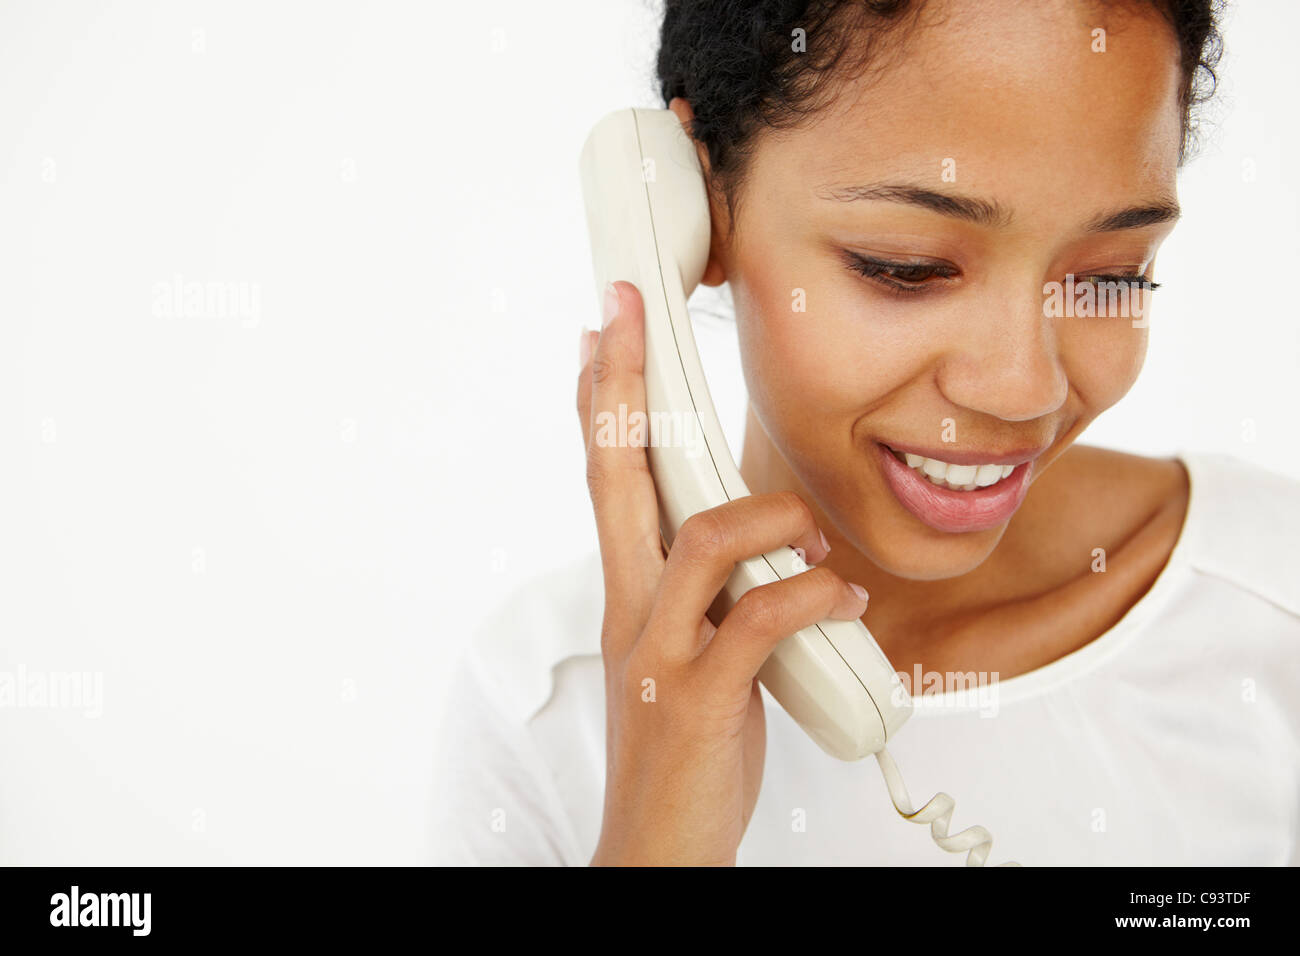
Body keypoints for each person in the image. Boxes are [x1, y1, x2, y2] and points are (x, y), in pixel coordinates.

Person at [431, 0, 1300, 865]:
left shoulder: (1272, 609)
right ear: (693, 202)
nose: (1022, 388)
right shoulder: (545, 708)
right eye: (907, 268)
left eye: (1111, 278)